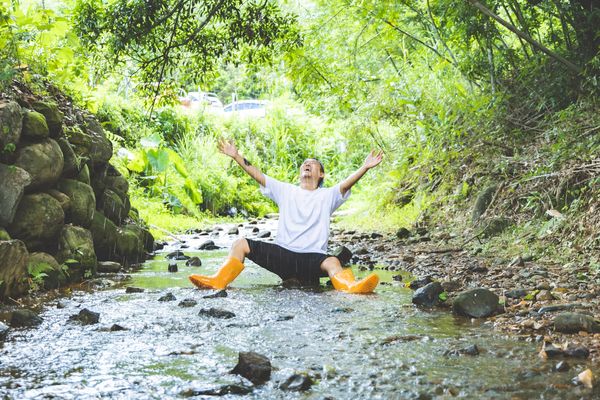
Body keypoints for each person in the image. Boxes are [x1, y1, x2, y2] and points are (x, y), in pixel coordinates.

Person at [189, 139, 383, 293]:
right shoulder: (285, 190)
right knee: (240, 244)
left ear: (321, 174)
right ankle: (218, 281)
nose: (307, 165)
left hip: (312, 260)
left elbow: (346, 184)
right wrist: (236, 156)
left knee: (333, 261)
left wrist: (365, 167)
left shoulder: (328, 195)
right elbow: (257, 174)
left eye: (312, 164)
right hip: (283, 255)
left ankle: (350, 287)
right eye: (304, 164)